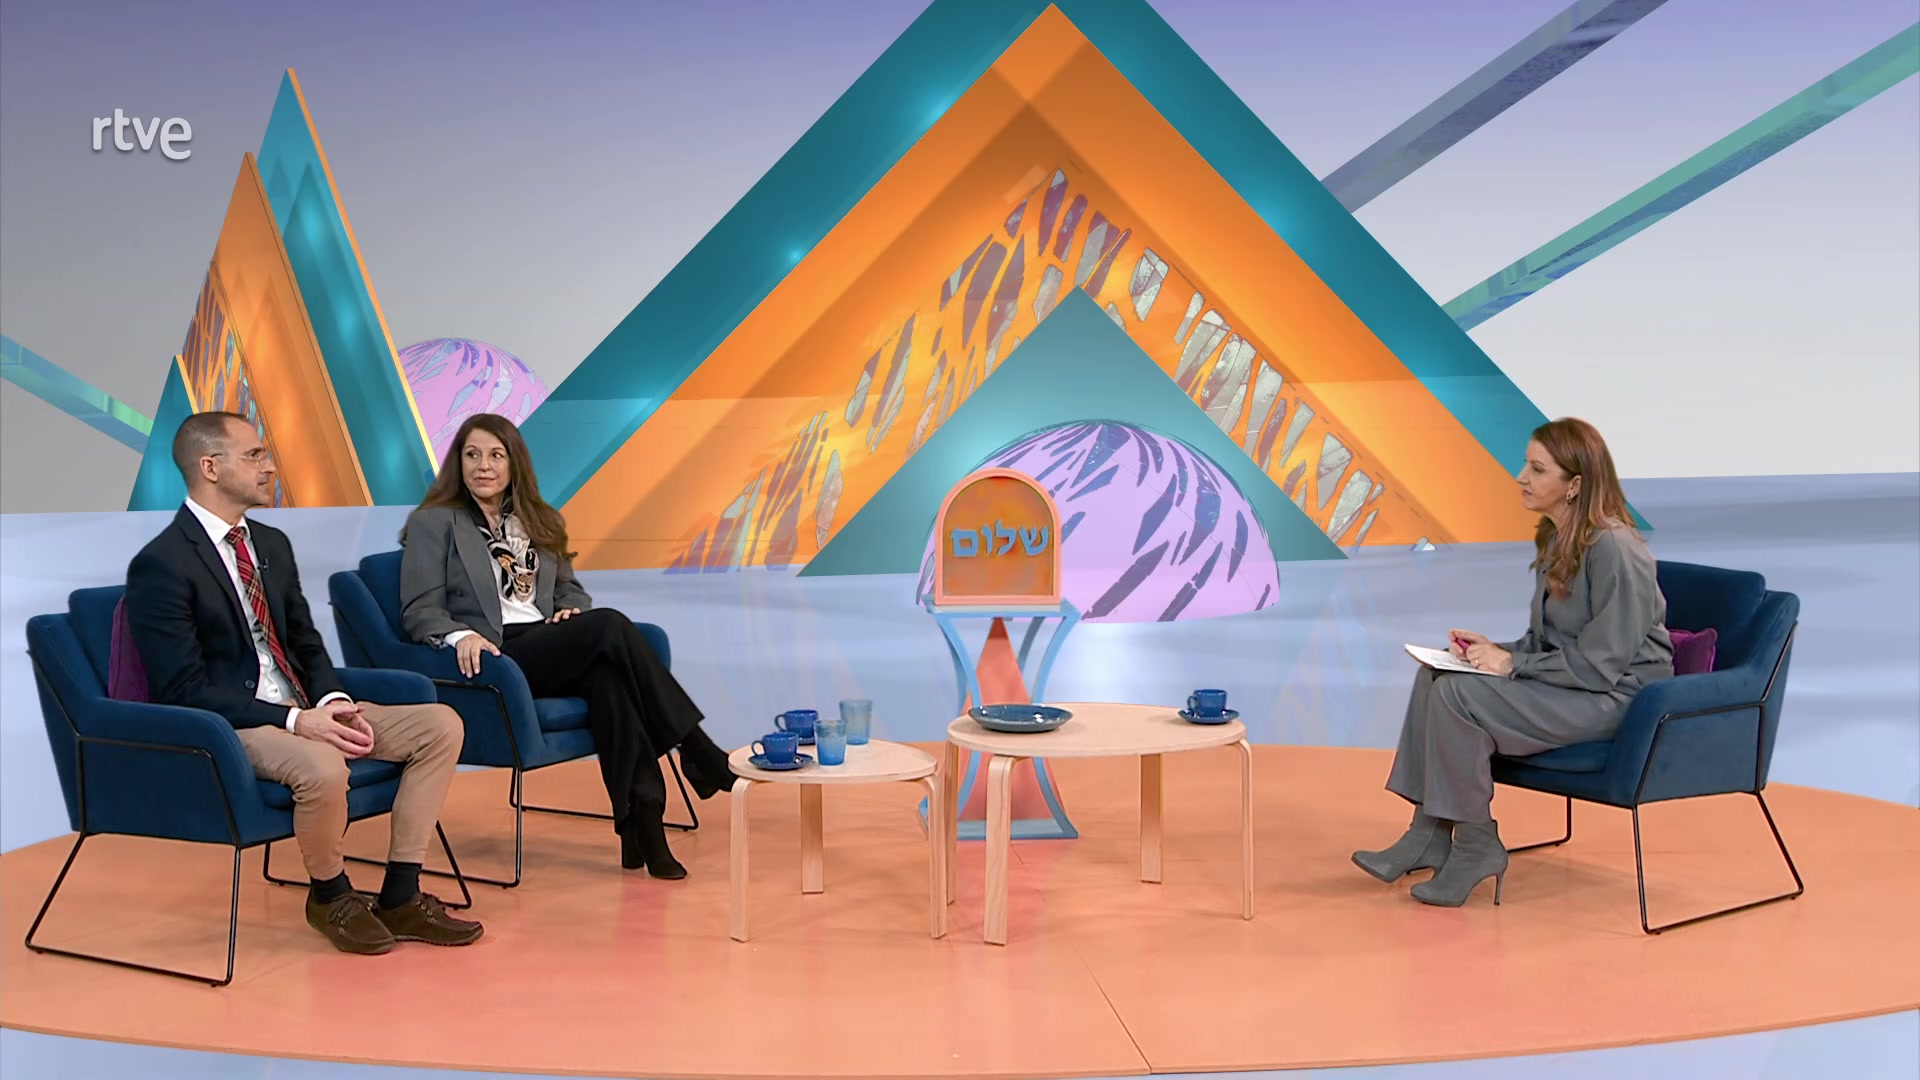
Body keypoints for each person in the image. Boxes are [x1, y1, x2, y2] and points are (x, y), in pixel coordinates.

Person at [125, 412, 483, 954]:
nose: (269, 466)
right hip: (236, 724)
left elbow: (305, 642)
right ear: (210, 467)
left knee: (440, 725)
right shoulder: (162, 563)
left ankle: (401, 895)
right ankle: (330, 896)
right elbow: (184, 689)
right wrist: (297, 721)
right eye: (254, 455)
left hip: (304, 707)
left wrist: (333, 701)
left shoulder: (270, 543)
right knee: (321, 765)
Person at [397, 414, 735, 879]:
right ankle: (697, 747)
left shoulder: (540, 520)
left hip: (546, 641)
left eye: (496, 455)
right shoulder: (434, 523)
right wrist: (461, 635)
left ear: (514, 463)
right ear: (458, 462)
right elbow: (419, 609)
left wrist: (570, 611)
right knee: (610, 626)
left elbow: (569, 590)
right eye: (472, 455)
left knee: (610, 681)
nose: (483, 466)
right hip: (500, 655)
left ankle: (643, 826)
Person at [1352, 418, 1673, 907]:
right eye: (1526, 464)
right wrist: (1493, 651)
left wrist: (1510, 665)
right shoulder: (1558, 540)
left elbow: (1599, 666)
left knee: (1458, 696)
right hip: (1575, 686)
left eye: (1538, 469)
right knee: (1435, 675)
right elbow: (1547, 644)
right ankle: (1427, 833)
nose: (1521, 476)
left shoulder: (1615, 549)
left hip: (1617, 700)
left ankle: (1476, 844)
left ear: (1575, 485)